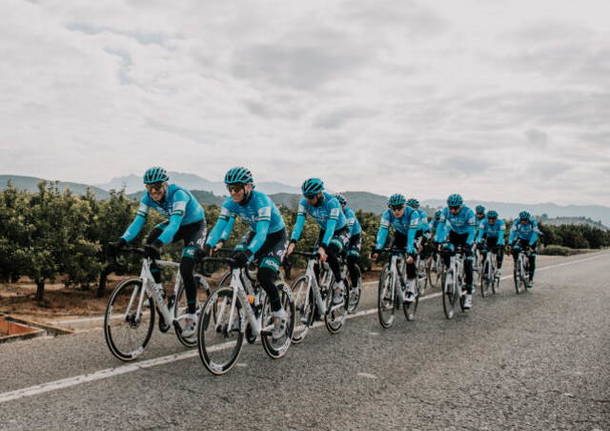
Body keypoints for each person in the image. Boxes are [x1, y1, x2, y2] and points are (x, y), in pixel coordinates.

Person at [112, 167, 206, 338]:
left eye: (157, 187)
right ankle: (159, 290)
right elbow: (138, 221)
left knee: (186, 268)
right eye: (150, 188)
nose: (154, 192)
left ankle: (192, 314)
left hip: (194, 227)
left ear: (165, 185)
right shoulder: (147, 198)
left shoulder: (178, 194)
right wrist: (122, 240)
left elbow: (175, 223)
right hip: (175, 225)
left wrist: (160, 243)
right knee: (150, 240)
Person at [205, 167, 288, 339]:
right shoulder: (230, 203)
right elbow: (219, 226)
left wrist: (249, 253)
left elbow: (263, 232)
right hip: (254, 233)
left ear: (248, 186)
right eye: (230, 188)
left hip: (275, 237)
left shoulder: (261, 201)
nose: (233, 192)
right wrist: (207, 245)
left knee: (264, 276)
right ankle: (244, 309)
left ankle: (279, 314)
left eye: (237, 188)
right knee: (235, 263)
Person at [286, 178, 349, 305]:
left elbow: (331, 227)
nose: (308, 200)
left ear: (319, 193)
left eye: (311, 197)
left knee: (329, 251)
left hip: (340, 230)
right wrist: (292, 242)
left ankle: (339, 283)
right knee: (313, 259)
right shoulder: (304, 202)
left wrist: (323, 247)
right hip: (324, 230)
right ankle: (315, 297)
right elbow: (299, 224)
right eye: (306, 196)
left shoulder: (332, 203)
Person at [371, 194, 420, 302]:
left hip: (414, 234)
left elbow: (411, 235)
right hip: (400, 234)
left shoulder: (412, 213)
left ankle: (411, 289)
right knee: (391, 253)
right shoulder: (387, 214)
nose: (396, 211)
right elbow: (383, 231)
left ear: (404, 206)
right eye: (393, 208)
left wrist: (410, 251)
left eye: (399, 208)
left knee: (410, 259)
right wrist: (378, 248)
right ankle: (392, 279)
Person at [434, 193, 476, 309]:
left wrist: (468, 244)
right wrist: (438, 240)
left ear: (461, 206)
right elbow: (440, 227)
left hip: (467, 236)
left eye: (456, 208)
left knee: (468, 262)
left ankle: (468, 294)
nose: (453, 211)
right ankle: (451, 272)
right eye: (451, 208)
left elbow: (472, 230)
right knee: (447, 250)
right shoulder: (445, 211)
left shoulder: (468, 212)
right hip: (454, 235)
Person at [335, 193, 362, 291]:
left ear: (344, 205)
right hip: (340, 235)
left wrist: (343, 247)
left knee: (351, 259)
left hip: (354, 237)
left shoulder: (349, 213)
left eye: (340, 205)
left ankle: (354, 287)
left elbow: (348, 232)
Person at [508, 210, 540, 287]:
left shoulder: (533, 223)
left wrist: (530, 245)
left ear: (528, 219)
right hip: (521, 239)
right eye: (522, 220)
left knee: (532, 258)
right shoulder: (516, 222)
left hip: (531, 240)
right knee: (515, 249)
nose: (524, 222)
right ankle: (517, 263)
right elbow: (512, 233)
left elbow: (535, 234)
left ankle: (531, 279)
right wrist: (510, 243)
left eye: (525, 220)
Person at [476, 210, 505, 277]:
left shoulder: (501, 223)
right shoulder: (483, 222)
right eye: (489, 218)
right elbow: (480, 233)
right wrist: (479, 242)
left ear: (496, 218)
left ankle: (498, 269)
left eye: (493, 219)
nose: (491, 220)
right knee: (485, 253)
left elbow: (501, 234)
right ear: (487, 218)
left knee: (499, 253)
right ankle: (485, 271)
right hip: (488, 239)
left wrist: (499, 243)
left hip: (498, 239)